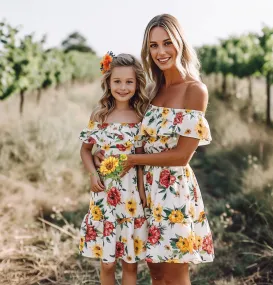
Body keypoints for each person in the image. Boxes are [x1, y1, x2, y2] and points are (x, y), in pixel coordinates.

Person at [94, 14, 214, 285]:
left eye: (167, 43)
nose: (161, 52)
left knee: (174, 276)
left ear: (180, 43)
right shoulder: (152, 90)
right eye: (153, 45)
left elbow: (182, 156)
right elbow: (132, 134)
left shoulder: (195, 90)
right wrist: (103, 153)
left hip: (172, 193)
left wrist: (130, 159)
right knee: (156, 275)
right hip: (142, 191)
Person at [78, 52, 149, 285]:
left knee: (130, 262)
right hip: (105, 196)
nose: (123, 87)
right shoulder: (100, 115)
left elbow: (142, 158)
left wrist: (142, 192)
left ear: (137, 83)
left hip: (131, 197)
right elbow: (85, 150)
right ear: (108, 82)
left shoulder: (142, 116)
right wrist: (92, 173)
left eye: (129, 81)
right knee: (107, 262)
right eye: (117, 81)